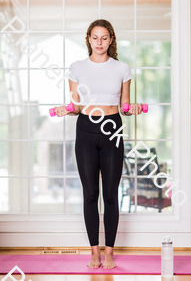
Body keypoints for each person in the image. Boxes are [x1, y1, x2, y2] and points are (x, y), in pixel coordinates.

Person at [54, 19, 143, 269]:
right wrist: (66, 110)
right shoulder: (76, 68)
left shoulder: (122, 68)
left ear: (111, 40)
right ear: (89, 39)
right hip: (85, 129)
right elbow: (76, 107)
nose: (99, 42)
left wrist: (133, 108)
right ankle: (94, 253)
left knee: (111, 195)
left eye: (104, 38)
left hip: (112, 128)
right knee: (91, 194)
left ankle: (110, 253)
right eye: (95, 37)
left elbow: (125, 106)